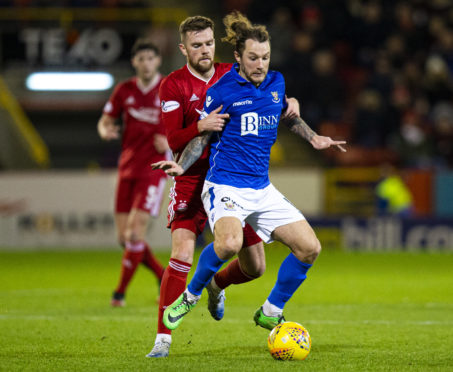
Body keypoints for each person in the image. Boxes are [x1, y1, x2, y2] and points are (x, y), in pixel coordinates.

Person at [154, 11, 346, 335]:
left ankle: (270, 311)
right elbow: (202, 138)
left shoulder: (276, 82)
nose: (261, 64)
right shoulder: (222, 91)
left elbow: (288, 115)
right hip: (225, 186)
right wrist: (182, 165)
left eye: (266, 57)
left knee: (310, 248)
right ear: (238, 59)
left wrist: (313, 137)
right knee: (229, 243)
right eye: (254, 58)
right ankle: (190, 295)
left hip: (261, 188)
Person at [97, 38, 169, 307]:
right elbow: (105, 121)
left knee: (135, 234)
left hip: (154, 170)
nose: (146, 63)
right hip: (127, 168)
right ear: (134, 62)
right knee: (124, 238)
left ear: (158, 61)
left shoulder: (168, 89)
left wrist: (171, 142)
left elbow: (190, 125)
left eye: (151, 58)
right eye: (142, 59)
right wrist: (106, 131)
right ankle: (163, 276)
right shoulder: (124, 90)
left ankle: (119, 294)